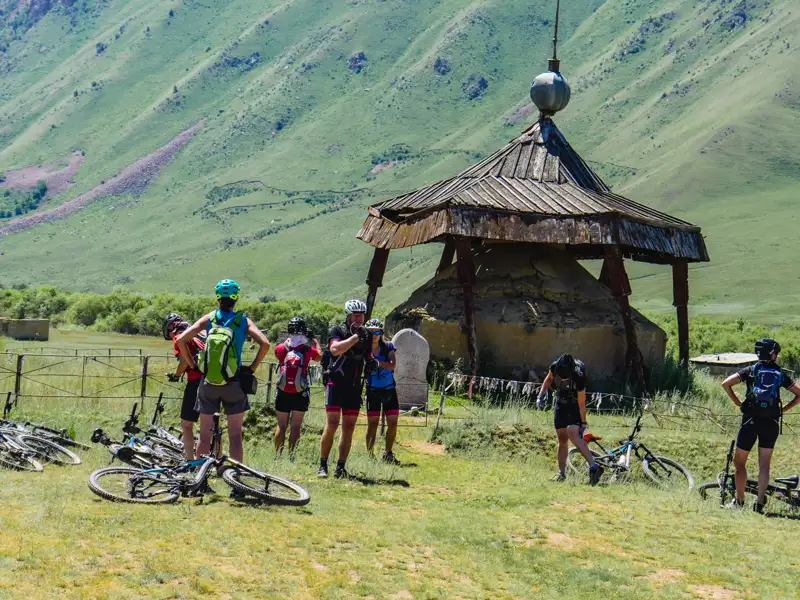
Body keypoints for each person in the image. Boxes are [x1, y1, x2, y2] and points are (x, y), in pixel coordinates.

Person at [177, 279, 270, 474]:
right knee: (235, 434)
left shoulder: (209, 318)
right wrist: (251, 368)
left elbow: (182, 339)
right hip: (234, 382)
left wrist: (192, 364)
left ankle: (200, 479)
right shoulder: (242, 321)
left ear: (218, 298)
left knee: (204, 434)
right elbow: (265, 344)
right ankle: (235, 479)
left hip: (208, 382)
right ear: (236, 298)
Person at [721, 338, 800, 513]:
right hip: (771, 423)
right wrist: (783, 410)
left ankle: (739, 501)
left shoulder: (751, 370)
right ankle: (758, 505)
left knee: (739, 463)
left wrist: (739, 403)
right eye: (776, 353)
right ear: (772, 354)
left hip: (750, 421)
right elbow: (799, 394)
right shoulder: (780, 374)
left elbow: (725, 384)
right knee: (764, 465)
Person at [318, 299, 370, 479]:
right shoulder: (338, 330)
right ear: (348, 316)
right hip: (335, 383)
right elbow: (334, 350)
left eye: (361, 315)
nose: (359, 318)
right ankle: (323, 465)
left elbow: (374, 352)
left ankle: (340, 467)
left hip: (354, 386)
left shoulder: (367, 334)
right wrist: (355, 338)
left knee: (349, 426)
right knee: (332, 424)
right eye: (356, 315)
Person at [537, 354, 603, 485]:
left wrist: (583, 422)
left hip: (574, 405)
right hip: (560, 404)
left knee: (573, 434)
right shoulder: (555, 366)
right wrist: (540, 395)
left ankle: (594, 467)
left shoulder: (578, 376)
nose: (563, 378)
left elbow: (581, 402)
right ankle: (561, 473)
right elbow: (549, 379)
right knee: (562, 439)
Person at [273, 316, 321, 458]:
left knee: (281, 425)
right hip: (300, 391)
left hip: (283, 390)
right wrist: (315, 341)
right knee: (295, 427)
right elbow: (319, 357)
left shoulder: (281, 348)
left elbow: (279, 356)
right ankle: (292, 456)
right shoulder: (307, 349)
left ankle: (277, 456)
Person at [164, 313, 205, 460]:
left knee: (186, 424)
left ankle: (190, 460)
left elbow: (184, 362)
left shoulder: (179, 337)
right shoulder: (198, 334)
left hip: (195, 382)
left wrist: (176, 375)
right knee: (210, 424)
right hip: (211, 380)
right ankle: (216, 460)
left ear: (170, 328)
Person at [363, 318, 400, 464]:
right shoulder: (363, 349)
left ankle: (388, 453)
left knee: (393, 423)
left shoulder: (388, 346)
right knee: (372, 424)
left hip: (389, 389)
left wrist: (377, 363)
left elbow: (393, 365)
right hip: (372, 390)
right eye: (371, 332)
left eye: (377, 332)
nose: (374, 335)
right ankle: (369, 455)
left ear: (381, 333)